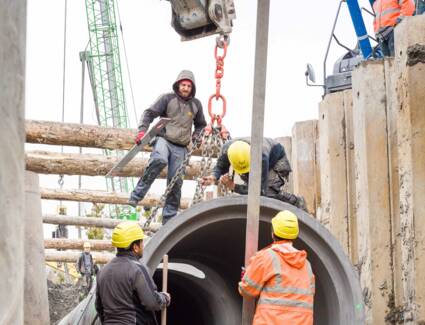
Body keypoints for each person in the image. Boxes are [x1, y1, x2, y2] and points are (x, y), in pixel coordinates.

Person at [128, 70, 207, 224]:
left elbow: (201, 125)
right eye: (183, 85)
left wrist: (197, 136)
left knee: (176, 181)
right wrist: (142, 132)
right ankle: (136, 195)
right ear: (178, 85)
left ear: (192, 88)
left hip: (181, 147)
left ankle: (169, 219)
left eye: (188, 86)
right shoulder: (167, 98)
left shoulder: (195, 105)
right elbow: (149, 113)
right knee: (159, 160)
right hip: (164, 139)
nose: (185, 88)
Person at [239, 210, 315, 325]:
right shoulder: (306, 264)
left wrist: (245, 277)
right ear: (295, 234)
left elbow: (247, 290)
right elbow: (310, 293)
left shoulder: (265, 257)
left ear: (273, 232)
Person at [95, 221, 170, 324]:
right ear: (135, 247)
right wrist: (164, 298)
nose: (143, 246)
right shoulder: (136, 269)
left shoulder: (102, 272)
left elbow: (99, 307)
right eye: (141, 242)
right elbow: (152, 302)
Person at [201, 138, 306, 210]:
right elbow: (220, 167)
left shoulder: (262, 156)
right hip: (254, 161)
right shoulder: (227, 150)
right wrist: (213, 177)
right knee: (249, 193)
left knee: (268, 192)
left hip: (276, 160)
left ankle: (296, 201)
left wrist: (233, 186)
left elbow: (260, 192)